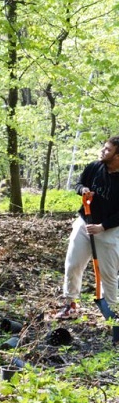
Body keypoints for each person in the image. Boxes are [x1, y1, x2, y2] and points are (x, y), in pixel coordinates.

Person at [56, 135, 119, 320]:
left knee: (108, 273)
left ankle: (113, 313)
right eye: (104, 147)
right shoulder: (95, 167)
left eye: (108, 150)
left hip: (109, 230)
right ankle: (70, 305)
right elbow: (79, 183)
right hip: (85, 222)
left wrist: (103, 226)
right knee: (73, 264)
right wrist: (82, 190)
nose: (103, 151)